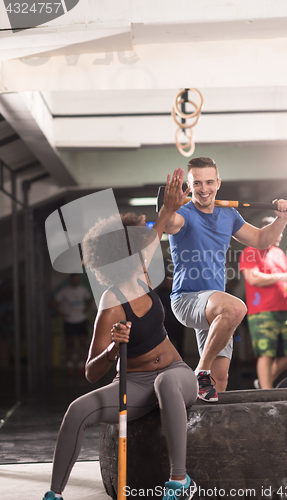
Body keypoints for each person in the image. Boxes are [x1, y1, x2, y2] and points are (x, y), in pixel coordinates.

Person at [42, 171, 198, 500]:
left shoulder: (142, 272)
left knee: (166, 382)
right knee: (76, 410)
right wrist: (114, 347)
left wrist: (169, 208)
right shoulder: (111, 304)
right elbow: (90, 372)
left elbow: (154, 234)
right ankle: (54, 493)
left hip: (176, 374)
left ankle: (179, 479)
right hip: (134, 385)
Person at [163, 157, 287, 402]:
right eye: (198, 183)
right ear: (190, 186)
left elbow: (261, 240)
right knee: (236, 307)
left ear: (218, 183)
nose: (204, 189)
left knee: (220, 381)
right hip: (187, 299)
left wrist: (282, 218)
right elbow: (170, 225)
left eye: (210, 182)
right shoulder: (184, 214)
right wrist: (169, 207)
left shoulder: (229, 215)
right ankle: (200, 372)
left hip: (216, 309)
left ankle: (201, 429)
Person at [239, 216, 287, 389]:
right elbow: (253, 278)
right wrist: (284, 277)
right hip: (262, 312)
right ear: (267, 232)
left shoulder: (279, 253)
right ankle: (266, 394)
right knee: (266, 354)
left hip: (285, 310)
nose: (280, 236)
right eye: (277, 231)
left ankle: (263, 383)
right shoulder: (250, 251)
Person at [52, 273, 94, 375]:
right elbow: (54, 302)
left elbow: (90, 299)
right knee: (69, 343)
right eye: (75, 279)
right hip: (69, 321)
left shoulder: (83, 290)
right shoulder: (65, 291)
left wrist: (85, 310)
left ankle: (81, 365)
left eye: (78, 279)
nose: (76, 281)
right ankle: (69, 365)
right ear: (71, 280)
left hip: (81, 319)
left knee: (82, 343)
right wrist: (61, 313)